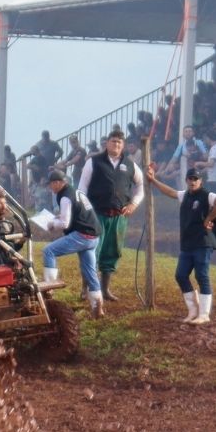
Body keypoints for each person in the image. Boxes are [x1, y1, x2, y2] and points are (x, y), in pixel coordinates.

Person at [145, 165, 216, 325]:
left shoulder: (207, 195)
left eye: (195, 179)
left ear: (200, 181)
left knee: (201, 275)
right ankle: (193, 310)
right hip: (187, 243)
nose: (193, 181)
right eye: (190, 179)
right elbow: (170, 192)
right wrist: (153, 180)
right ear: (186, 180)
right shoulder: (185, 195)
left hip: (203, 242)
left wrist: (209, 218)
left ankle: (204, 314)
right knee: (181, 275)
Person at [78, 128, 144, 305]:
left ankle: (105, 289)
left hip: (118, 217)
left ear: (123, 146)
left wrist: (133, 204)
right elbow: (82, 190)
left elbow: (140, 186)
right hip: (96, 215)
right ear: (107, 143)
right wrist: (87, 210)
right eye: (113, 141)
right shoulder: (94, 162)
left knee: (112, 252)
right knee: (91, 251)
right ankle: (86, 289)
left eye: (120, 142)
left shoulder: (130, 165)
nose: (116, 144)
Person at [40, 168, 104, 315]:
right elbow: (76, 212)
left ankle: (49, 293)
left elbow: (64, 224)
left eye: (50, 184)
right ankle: (97, 305)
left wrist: (51, 224)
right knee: (90, 271)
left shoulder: (65, 197)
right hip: (93, 236)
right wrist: (58, 217)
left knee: (48, 251)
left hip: (82, 235)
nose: (50, 187)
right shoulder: (75, 191)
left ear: (57, 183)